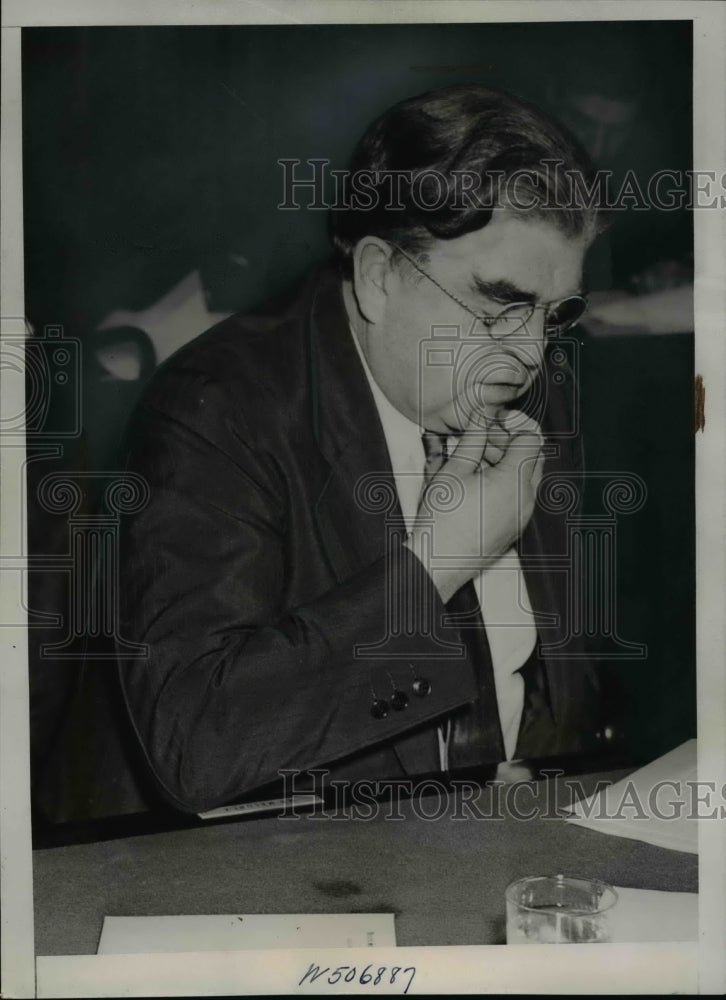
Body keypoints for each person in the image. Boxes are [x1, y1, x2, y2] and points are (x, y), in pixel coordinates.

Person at [116, 85, 606, 815]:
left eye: (553, 313)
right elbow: (195, 745)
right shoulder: (217, 410)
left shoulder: (530, 391)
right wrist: (436, 566)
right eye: (502, 305)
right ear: (380, 277)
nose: (531, 353)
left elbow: (585, 692)